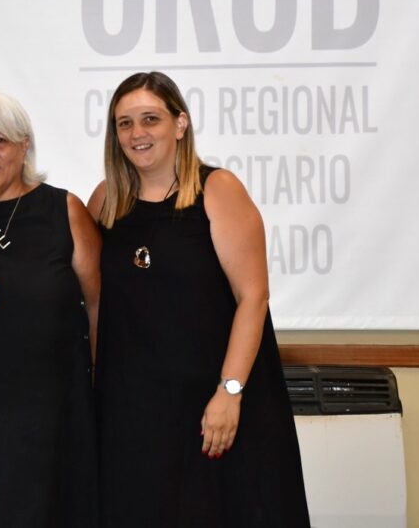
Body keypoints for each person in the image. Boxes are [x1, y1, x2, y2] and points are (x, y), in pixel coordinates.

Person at [87, 71, 310, 526]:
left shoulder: (218, 190)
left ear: (180, 123)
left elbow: (254, 297)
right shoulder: (106, 200)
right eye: (125, 123)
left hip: (211, 410)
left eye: (150, 118)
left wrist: (230, 392)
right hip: (134, 413)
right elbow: (91, 302)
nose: (137, 132)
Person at [0, 91, 101, 527]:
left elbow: (99, 306)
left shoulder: (64, 210)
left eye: (0, 140)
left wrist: (100, 388)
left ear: (24, 144)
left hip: (58, 413)